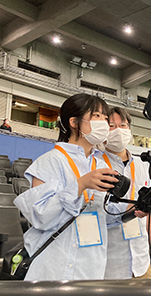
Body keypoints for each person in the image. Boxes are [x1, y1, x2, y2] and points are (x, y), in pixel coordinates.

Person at [14, 93, 119, 281]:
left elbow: (105, 217)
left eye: (105, 117)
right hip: (54, 265)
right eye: (96, 116)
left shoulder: (102, 165)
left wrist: (131, 210)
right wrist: (80, 185)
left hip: (92, 265)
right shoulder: (50, 161)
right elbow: (41, 217)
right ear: (74, 122)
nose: (104, 122)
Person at [102, 107, 151, 279]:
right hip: (110, 260)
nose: (118, 130)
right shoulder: (96, 164)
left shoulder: (142, 165)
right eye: (112, 126)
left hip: (140, 258)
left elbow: (149, 211)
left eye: (123, 125)